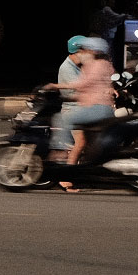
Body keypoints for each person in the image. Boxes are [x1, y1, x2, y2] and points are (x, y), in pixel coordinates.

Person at [53, 37, 118, 183]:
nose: (85, 54)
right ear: (76, 52)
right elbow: (78, 89)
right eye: (82, 51)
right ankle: (66, 178)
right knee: (80, 143)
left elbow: (96, 81)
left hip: (87, 107)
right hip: (73, 108)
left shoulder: (86, 65)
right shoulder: (67, 68)